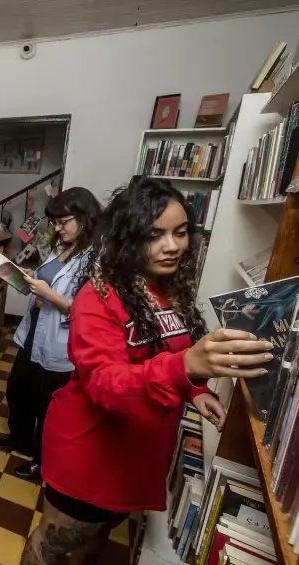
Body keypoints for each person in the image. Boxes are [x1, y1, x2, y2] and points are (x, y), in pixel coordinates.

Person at [21, 177, 274, 564]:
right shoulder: (98, 297)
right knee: (52, 548)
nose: (172, 245)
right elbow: (105, 383)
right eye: (155, 235)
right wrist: (185, 368)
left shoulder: (165, 289)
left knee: (93, 548)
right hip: (88, 458)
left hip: (135, 460)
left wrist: (196, 389)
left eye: (181, 232)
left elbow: (172, 353)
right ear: (128, 238)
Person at [0, 187, 101, 482]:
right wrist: (27, 282)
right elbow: (48, 280)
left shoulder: (95, 259)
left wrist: (50, 295)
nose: (58, 228)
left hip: (59, 338)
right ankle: (22, 441)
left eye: (64, 221)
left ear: (84, 218)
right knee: (18, 387)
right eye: (55, 222)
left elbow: (84, 311)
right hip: (37, 326)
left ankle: (41, 464)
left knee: (48, 406)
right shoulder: (62, 246)